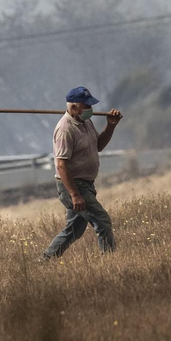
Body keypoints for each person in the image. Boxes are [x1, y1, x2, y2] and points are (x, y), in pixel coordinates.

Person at [41, 86, 123, 259]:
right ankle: (111, 260)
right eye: (86, 106)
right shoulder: (65, 129)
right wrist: (75, 195)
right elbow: (61, 165)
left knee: (73, 230)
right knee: (102, 221)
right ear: (73, 107)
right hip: (73, 186)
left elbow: (98, 146)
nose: (90, 110)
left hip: (85, 184)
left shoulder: (86, 122)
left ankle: (44, 261)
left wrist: (111, 126)